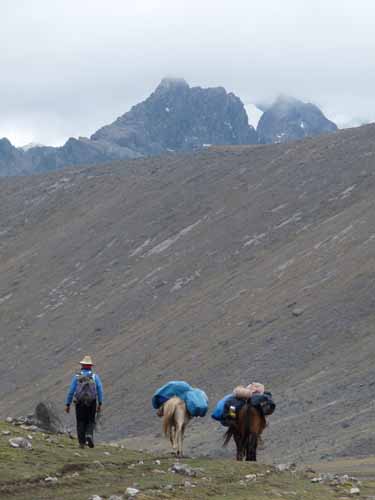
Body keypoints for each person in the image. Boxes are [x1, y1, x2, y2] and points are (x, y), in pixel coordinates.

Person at [65, 355, 103, 448]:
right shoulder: (95, 377)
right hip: (92, 401)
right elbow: (100, 389)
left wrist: (68, 404)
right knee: (90, 420)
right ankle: (89, 435)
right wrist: (100, 403)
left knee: (80, 421)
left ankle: (81, 443)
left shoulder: (77, 377)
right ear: (90, 366)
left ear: (82, 365)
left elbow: (71, 391)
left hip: (79, 402)